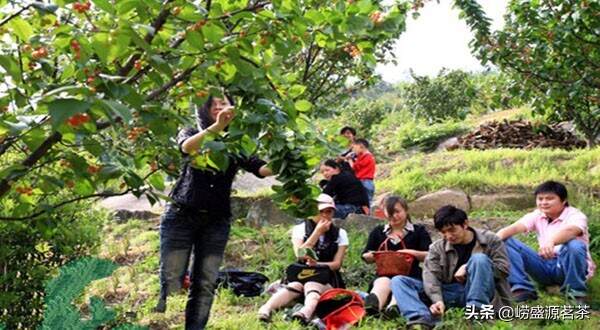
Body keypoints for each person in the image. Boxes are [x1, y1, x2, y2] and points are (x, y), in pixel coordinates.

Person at [156, 93, 273, 329]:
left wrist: (289, 158)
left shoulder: (237, 142)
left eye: (224, 103)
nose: (220, 107)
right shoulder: (190, 131)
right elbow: (187, 148)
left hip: (216, 221)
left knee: (205, 282)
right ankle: (165, 294)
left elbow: (261, 169)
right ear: (204, 108)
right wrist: (218, 127)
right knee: (173, 278)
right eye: (214, 104)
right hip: (181, 215)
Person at [391, 205, 511, 329]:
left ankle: (476, 313)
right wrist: (438, 301)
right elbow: (431, 278)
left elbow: (504, 269)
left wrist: (468, 266)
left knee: (479, 259)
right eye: (443, 232)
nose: (448, 236)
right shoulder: (437, 248)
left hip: (483, 291)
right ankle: (420, 318)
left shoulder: (490, 240)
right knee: (399, 281)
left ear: (465, 224)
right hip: (450, 292)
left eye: (452, 230)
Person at [496, 181, 596, 303]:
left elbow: (573, 230)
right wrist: (493, 241)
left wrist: (551, 241)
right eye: (540, 199)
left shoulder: (575, 215)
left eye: (549, 198)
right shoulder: (537, 215)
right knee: (506, 241)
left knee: (575, 245)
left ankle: (576, 292)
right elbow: (516, 227)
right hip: (545, 266)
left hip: (568, 267)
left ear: (563, 200)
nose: (544, 202)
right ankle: (522, 289)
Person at [257, 194, 349, 323]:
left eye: (329, 211)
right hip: (302, 274)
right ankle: (266, 309)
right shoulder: (300, 230)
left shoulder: (340, 233)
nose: (325, 215)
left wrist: (317, 264)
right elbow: (300, 254)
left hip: (326, 277)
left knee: (313, 285)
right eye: (320, 211)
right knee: (295, 285)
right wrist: (317, 233)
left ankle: (305, 312)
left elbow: (337, 264)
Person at [362, 196, 431, 316]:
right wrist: (373, 256)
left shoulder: (418, 231)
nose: (394, 216)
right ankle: (374, 306)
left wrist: (412, 253)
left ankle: (393, 307)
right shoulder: (378, 232)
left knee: (397, 281)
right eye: (389, 213)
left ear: (406, 210)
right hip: (384, 274)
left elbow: (429, 255)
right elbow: (365, 256)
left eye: (397, 212)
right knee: (383, 281)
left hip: (410, 276)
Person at [347, 138, 376, 204]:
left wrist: (349, 160)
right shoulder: (366, 156)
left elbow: (354, 167)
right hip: (366, 182)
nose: (353, 150)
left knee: (365, 203)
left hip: (364, 181)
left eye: (354, 148)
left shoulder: (366, 156)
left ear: (361, 146)